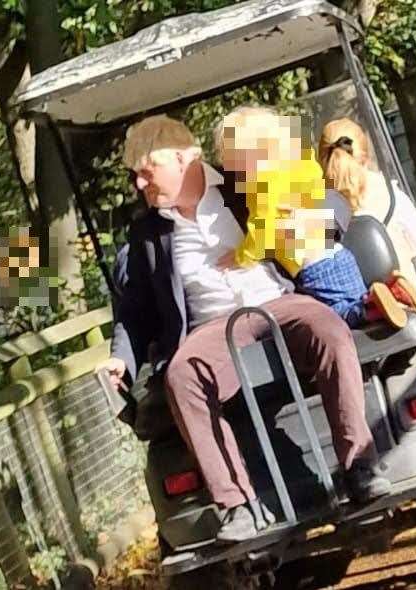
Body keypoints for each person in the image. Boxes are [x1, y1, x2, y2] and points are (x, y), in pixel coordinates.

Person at [99, 114, 389, 544]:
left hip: (279, 301)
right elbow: (135, 311)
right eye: (135, 177)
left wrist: (314, 227)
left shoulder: (243, 185)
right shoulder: (147, 236)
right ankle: (236, 505)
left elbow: (329, 207)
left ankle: (359, 465)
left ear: (184, 159)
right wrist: (122, 358)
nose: (140, 185)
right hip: (212, 327)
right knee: (182, 375)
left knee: (328, 328)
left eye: (147, 172)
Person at [216, 106, 416, 328]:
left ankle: (374, 308)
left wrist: (241, 257)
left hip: (313, 265)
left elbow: (261, 231)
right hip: (338, 253)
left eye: (234, 163)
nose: (232, 172)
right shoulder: (298, 169)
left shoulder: (264, 189)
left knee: (338, 315)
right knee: (353, 297)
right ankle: (393, 293)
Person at [318, 118, 416, 300]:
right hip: (408, 305)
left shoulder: (313, 212)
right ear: (366, 157)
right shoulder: (390, 195)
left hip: (350, 318)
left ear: (321, 162)